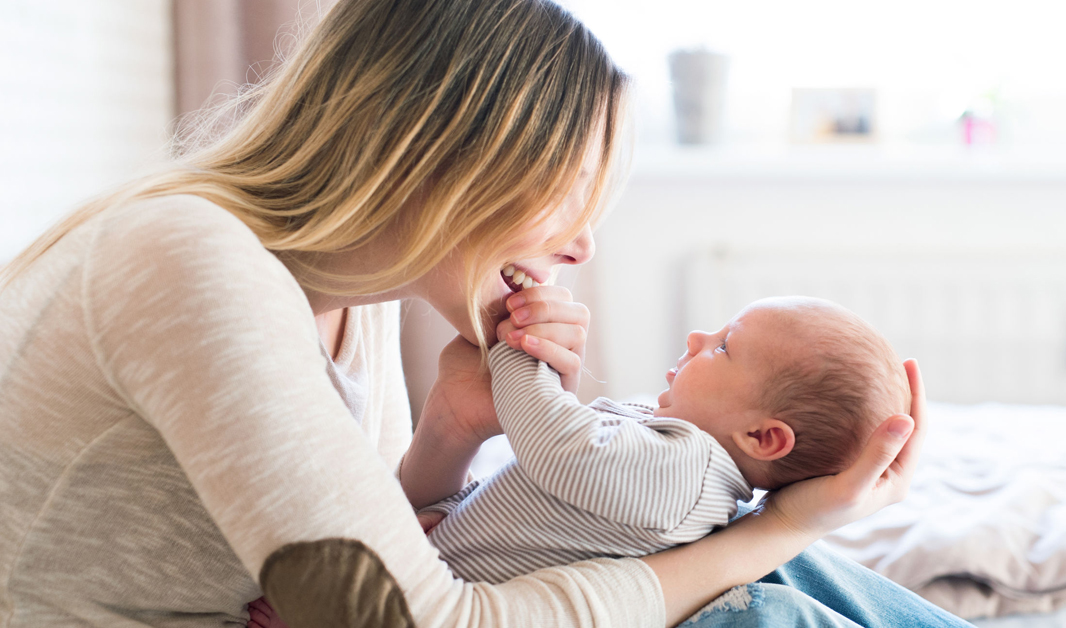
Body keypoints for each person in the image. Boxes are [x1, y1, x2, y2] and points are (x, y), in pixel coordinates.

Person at [0, 0, 962, 626]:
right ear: (450, 155)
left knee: (766, 586)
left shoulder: (351, 292)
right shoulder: (190, 262)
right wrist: (782, 524)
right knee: (749, 600)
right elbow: (414, 619)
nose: (583, 246)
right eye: (570, 191)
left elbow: (358, 534)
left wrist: (450, 434)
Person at [406, 296, 909, 584]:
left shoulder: (687, 474)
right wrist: (452, 510)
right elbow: (530, 498)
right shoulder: (675, 445)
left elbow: (557, 446)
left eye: (724, 347)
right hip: (441, 564)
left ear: (761, 436)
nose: (696, 339)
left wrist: (519, 349)